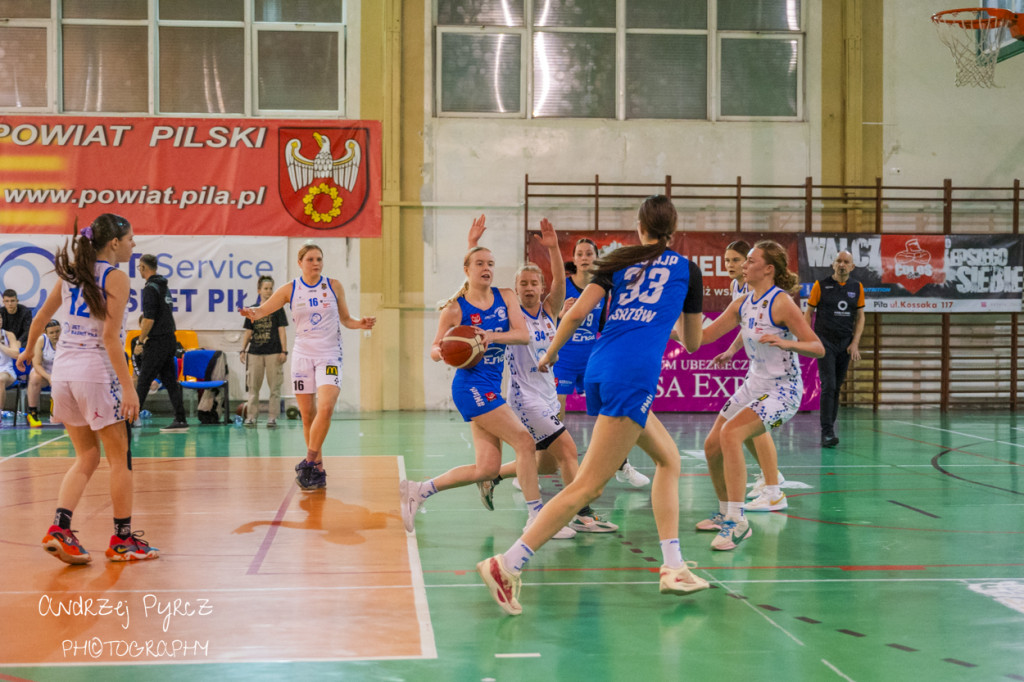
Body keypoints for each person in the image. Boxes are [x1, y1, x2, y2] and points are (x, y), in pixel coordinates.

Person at [476, 195, 710, 616]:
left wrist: (551, 356)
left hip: (602, 368)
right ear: (673, 228)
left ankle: (674, 565)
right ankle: (506, 564)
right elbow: (693, 342)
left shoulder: (618, 260)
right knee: (588, 486)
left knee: (669, 460)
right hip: (632, 376)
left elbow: (575, 313)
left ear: (640, 226)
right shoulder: (687, 270)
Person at [400, 216, 572, 538]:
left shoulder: (506, 296)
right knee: (524, 441)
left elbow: (522, 335)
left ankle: (419, 490)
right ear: (467, 269)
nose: (487, 267)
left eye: (491, 263)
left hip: (492, 386)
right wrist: (444, 351)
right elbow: (435, 348)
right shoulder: (454, 309)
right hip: (470, 386)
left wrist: (488, 336)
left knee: (488, 469)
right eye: (480, 263)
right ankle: (537, 516)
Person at [18, 213, 158, 564]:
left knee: (86, 456)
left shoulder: (72, 275)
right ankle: (123, 541)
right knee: (119, 459)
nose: (133, 244)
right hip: (95, 372)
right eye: (130, 239)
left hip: (63, 373)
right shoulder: (116, 277)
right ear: (114, 243)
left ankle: (60, 528)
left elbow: (38, 318)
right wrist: (129, 389)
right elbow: (110, 338)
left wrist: (25, 350)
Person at [475, 218, 617, 534]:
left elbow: (560, 283)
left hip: (547, 395)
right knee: (568, 449)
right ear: (516, 288)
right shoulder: (510, 316)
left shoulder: (549, 310)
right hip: (525, 398)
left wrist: (553, 248)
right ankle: (583, 513)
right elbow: (479, 288)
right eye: (522, 283)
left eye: (533, 283)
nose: (528, 288)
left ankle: (493, 475)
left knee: (548, 462)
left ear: (541, 287)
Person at [697, 241, 824, 553]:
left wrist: (787, 344)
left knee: (731, 434)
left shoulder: (782, 303)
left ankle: (738, 522)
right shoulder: (743, 302)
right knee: (711, 445)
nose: (744, 265)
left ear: (769, 269)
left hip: (784, 390)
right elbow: (703, 336)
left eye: (750, 261)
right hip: (754, 384)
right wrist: (661, 325)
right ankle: (726, 511)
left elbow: (817, 347)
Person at [240, 242, 375, 490]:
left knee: (326, 407)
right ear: (300, 263)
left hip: (329, 355)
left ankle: (309, 461)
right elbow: (262, 311)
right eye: (311, 259)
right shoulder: (290, 289)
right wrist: (251, 311)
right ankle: (318, 468)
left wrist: (360, 323)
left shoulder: (333, 286)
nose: (316, 263)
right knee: (307, 416)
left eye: (319, 259)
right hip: (303, 356)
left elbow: (346, 319)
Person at [554, 237, 650, 489]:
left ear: (597, 259)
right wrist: (560, 316)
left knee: (610, 409)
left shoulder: (603, 288)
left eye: (589, 253)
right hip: (563, 358)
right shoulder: (562, 288)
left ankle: (622, 465)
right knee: (555, 411)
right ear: (574, 259)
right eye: (580, 254)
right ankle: (541, 462)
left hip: (591, 358)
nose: (585, 257)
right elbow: (545, 321)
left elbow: (603, 324)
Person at [709, 240, 787, 511]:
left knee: (757, 426)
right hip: (756, 369)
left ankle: (772, 482)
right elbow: (746, 323)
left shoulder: (772, 295)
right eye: (727, 260)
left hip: (778, 376)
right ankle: (769, 479)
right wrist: (732, 350)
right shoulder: (737, 288)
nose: (731, 265)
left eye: (736, 259)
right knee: (740, 428)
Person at [804, 250, 864, 448]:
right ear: (833, 264)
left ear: (852, 267)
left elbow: (860, 316)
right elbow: (809, 312)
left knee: (836, 386)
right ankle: (827, 432)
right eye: (839, 261)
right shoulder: (821, 286)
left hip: (844, 344)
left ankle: (829, 429)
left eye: (846, 262)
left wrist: (854, 343)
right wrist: (808, 338)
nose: (842, 264)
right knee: (828, 385)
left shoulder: (857, 287)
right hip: (824, 342)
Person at [134, 254, 188, 433]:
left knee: (143, 381)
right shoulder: (164, 286)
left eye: (139, 267)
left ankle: (130, 420)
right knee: (170, 382)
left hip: (157, 341)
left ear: (143, 267)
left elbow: (148, 319)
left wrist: (141, 341)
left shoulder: (150, 288)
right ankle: (180, 420)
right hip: (170, 339)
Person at [240, 275, 288, 428]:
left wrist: (284, 351)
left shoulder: (278, 309)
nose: (269, 291)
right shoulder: (252, 310)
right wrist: (243, 349)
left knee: (275, 387)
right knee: (253, 387)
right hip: (255, 353)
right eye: (266, 288)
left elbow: (282, 331)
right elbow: (248, 331)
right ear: (259, 290)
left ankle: (272, 418)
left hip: (273, 352)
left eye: (271, 288)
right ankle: (251, 417)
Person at [25, 319, 61, 427]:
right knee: (35, 377)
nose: (55, 335)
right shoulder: (41, 340)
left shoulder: (66, 341)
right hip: (44, 373)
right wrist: (49, 377)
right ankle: (32, 412)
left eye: (57, 331)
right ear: (46, 333)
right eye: (52, 333)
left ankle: (67, 413)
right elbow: (36, 364)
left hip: (61, 373)